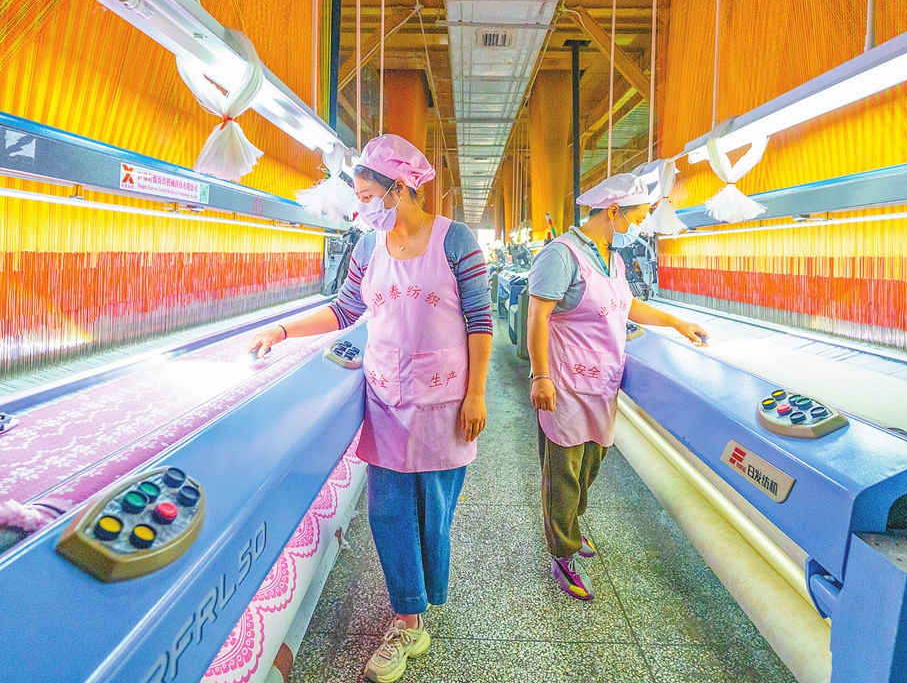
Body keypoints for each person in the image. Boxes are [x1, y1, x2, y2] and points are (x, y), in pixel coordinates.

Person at [247, 134, 492, 683]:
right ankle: (408, 619)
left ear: (399, 189)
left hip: (445, 401)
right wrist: (283, 329)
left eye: (366, 195)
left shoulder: (456, 242)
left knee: (434, 511)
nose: (361, 206)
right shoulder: (366, 248)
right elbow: (345, 309)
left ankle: (420, 601)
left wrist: (476, 393)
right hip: (385, 398)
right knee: (386, 510)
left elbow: (480, 319)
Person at [525, 172, 707, 601]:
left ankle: (570, 526)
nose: (639, 225)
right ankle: (562, 552)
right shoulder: (561, 254)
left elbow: (627, 305)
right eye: (638, 216)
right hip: (566, 384)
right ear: (613, 211)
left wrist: (676, 322)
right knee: (563, 474)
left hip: (603, 382)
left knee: (589, 467)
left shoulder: (614, 257)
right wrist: (540, 375)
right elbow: (537, 317)